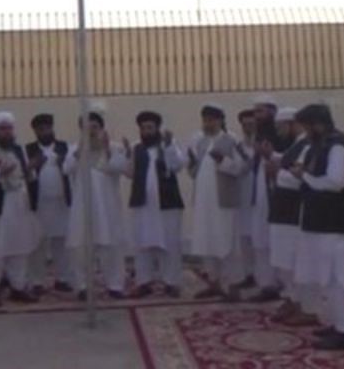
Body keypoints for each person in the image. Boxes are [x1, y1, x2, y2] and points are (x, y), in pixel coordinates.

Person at [292, 104, 344, 352]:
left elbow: (336, 182)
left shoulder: (337, 146)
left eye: (306, 126)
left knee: (338, 279)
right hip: (324, 224)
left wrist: (305, 177)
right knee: (327, 278)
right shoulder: (320, 145)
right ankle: (336, 324)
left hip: (338, 225)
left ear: (318, 124)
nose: (305, 131)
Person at [0, 112, 42, 306]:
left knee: (19, 246)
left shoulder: (18, 149)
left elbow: (26, 176)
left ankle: (18, 287)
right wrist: (0, 172)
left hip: (19, 201)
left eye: (10, 128)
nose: (7, 132)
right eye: (3, 129)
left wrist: (31, 168)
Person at [63, 110, 129, 300]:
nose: (91, 131)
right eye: (87, 128)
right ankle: (82, 286)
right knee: (80, 247)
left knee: (112, 246)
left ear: (101, 128)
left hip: (107, 207)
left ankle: (115, 285)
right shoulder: (74, 148)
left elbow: (120, 168)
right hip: (82, 208)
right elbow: (66, 169)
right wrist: (79, 151)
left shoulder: (114, 147)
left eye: (95, 127)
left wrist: (107, 149)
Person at [189, 104, 247, 301]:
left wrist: (222, 161)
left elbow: (242, 167)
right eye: (205, 120)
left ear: (221, 120)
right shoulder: (200, 142)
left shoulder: (232, 140)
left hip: (224, 202)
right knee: (208, 242)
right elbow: (195, 170)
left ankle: (233, 286)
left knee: (227, 243)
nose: (208, 124)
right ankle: (214, 283)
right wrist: (191, 165)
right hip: (203, 202)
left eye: (211, 120)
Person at [125, 111, 186, 298]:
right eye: (143, 128)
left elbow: (177, 166)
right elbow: (129, 173)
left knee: (170, 243)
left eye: (150, 128)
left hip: (167, 204)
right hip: (143, 204)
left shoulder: (169, 144)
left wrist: (168, 147)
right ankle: (144, 282)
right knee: (142, 243)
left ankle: (171, 282)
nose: (146, 131)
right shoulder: (136, 148)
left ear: (157, 128)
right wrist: (126, 155)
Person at [245, 106, 296, 302]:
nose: (257, 116)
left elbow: (288, 165)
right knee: (260, 240)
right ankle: (266, 284)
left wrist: (270, 157)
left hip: (279, 201)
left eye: (261, 111)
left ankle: (281, 286)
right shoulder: (261, 138)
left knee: (277, 244)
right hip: (260, 198)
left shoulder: (288, 142)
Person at [266, 108, 310, 321]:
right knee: (282, 258)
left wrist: (277, 173)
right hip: (281, 209)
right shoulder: (296, 145)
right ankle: (291, 298)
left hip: (293, 210)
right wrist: (271, 156)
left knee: (292, 258)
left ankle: (302, 303)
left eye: (280, 126)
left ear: (292, 124)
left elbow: (302, 178)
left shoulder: (307, 145)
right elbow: (286, 161)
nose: (278, 131)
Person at [26, 113, 74, 294]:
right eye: (41, 129)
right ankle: (37, 281)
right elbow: (24, 173)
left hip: (61, 203)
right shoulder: (28, 149)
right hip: (38, 204)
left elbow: (73, 169)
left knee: (61, 243)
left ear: (52, 128)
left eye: (47, 128)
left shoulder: (65, 147)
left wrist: (63, 163)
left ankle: (63, 279)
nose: (45, 132)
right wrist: (34, 164)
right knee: (37, 244)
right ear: (35, 131)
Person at [235, 108, 259, 289]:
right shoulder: (237, 147)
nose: (248, 128)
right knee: (245, 238)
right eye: (245, 125)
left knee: (261, 239)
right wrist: (247, 162)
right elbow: (236, 170)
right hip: (243, 197)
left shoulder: (265, 144)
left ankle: (266, 277)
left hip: (262, 199)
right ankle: (249, 274)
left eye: (251, 124)